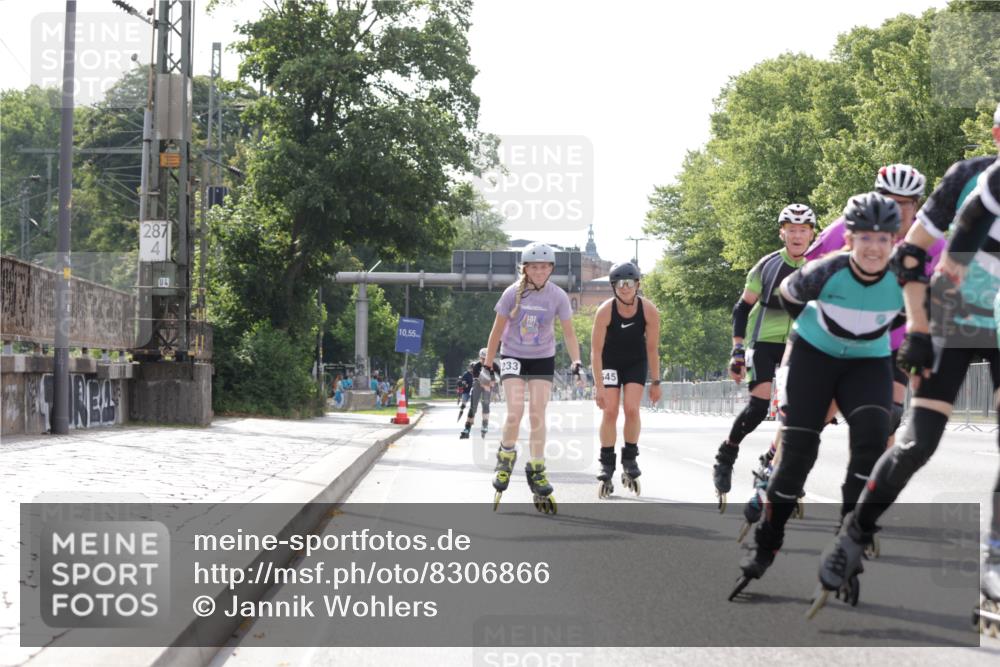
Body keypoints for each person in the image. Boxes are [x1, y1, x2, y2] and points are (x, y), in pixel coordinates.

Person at [814, 112, 1000, 620]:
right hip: (953, 317)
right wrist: (917, 329)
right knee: (917, 443)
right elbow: (912, 257)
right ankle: (855, 532)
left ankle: (996, 560)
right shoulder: (971, 179)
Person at [738, 164, 939, 539]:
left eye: (906, 204)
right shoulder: (846, 230)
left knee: (886, 423)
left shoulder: (934, 237)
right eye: (889, 201)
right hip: (832, 342)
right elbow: (808, 275)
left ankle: (862, 514)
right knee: (811, 420)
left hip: (888, 346)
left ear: (917, 205)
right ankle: (773, 469)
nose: (898, 210)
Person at [731, 193, 904, 601]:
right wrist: (819, 332)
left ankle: (848, 541)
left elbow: (918, 313)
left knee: (872, 443)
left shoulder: (905, 273)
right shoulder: (826, 271)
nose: (875, 247)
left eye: (884, 239)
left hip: (868, 362)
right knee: (796, 457)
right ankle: (767, 542)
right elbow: (789, 299)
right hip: (815, 357)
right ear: (848, 239)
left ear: (895, 241)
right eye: (865, 238)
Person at [713, 203, 816, 511]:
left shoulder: (819, 264)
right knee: (758, 408)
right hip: (765, 341)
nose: (797, 236)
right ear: (782, 233)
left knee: (796, 416)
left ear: (812, 234)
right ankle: (726, 454)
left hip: (799, 345)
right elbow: (742, 307)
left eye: (803, 230)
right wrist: (737, 349)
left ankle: (774, 462)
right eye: (792, 230)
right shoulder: (768, 265)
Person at [482, 242, 583, 513]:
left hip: (542, 357)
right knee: (515, 411)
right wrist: (488, 364)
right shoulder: (511, 294)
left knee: (537, 413)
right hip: (513, 355)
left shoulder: (558, 296)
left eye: (544, 267)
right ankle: (505, 457)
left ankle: (537, 467)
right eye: (534, 267)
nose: (539, 272)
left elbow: (569, 333)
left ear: (551, 269)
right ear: (525, 268)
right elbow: (496, 332)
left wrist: (576, 361)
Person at [590, 261, 661, 498]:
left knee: (631, 409)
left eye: (629, 283)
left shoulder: (649, 310)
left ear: (637, 284)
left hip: (635, 362)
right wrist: (598, 386)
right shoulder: (605, 311)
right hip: (610, 362)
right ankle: (607, 462)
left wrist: (656, 382)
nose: (624, 288)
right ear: (613, 287)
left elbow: (652, 349)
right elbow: (596, 352)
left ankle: (629, 459)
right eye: (619, 284)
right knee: (610, 411)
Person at [460, 349, 501, 439]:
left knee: (485, 404)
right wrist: (485, 385)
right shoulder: (477, 366)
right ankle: (467, 427)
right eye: (482, 358)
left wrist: (494, 391)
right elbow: (476, 380)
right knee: (473, 407)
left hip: (490, 385)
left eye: (485, 359)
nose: (483, 361)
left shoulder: (495, 366)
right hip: (478, 385)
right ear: (479, 357)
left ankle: (485, 424)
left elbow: (497, 379)